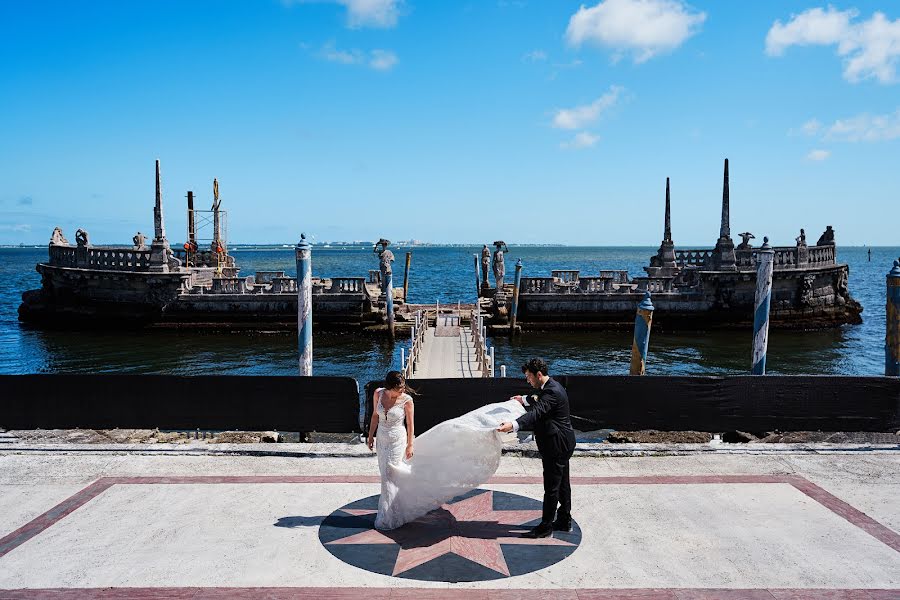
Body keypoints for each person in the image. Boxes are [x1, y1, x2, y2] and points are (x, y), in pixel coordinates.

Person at [366, 370, 525, 531]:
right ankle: (395, 508)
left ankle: (388, 517)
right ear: (389, 387)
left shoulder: (407, 400)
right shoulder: (378, 393)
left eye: (402, 388)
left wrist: (410, 445)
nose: (402, 391)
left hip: (397, 441)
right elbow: (374, 416)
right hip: (382, 439)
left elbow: (410, 424)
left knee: (389, 474)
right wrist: (371, 436)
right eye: (398, 389)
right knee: (385, 475)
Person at [497, 358, 576, 538]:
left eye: (528, 376)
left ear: (538, 375)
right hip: (563, 443)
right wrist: (522, 399)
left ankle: (545, 527)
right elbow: (537, 398)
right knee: (563, 483)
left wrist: (514, 425)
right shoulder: (550, 387)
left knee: (551, 487)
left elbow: (537, 412)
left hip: (556, 446)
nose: (527, 380)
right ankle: (564, 520)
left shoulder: (552, 393)